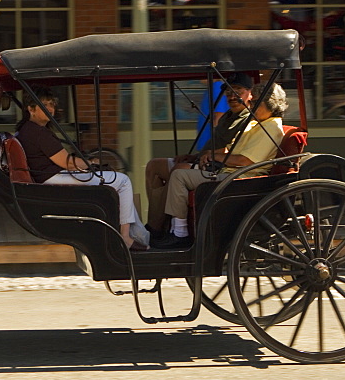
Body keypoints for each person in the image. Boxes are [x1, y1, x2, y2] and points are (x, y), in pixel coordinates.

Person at [155, 82, 287, 249]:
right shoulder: (258, 124)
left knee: (179, 175)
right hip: (230, 173)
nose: (250, 106)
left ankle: (180, 234)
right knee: (176, 170)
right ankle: (171, 228)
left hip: (241, 179)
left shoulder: (271, 127)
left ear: (269, 104)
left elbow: (245, 161)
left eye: (254, 103)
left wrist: (213, 155)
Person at [15, 88, 149, 251]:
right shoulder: (38, 133)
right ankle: (127, 238)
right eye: (44, 105)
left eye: (52, 105)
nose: (50, 109)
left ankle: (140, 234)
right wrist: (90, 162)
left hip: (49, 175)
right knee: (123, 181)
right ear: (31, 109)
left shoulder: (28, 129)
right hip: (52, 177)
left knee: (117, 183)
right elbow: (68, 163)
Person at [144, 73, 254, 239]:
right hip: (204, 160)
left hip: (218, 166)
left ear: (249, 93)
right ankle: (155, 221)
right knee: (154, 166)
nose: (232, 96)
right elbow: (214, 144)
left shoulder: (248, 122)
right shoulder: (227, 118)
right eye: (229, 92)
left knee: (178, 171)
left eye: (238, 91)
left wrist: (209, 156)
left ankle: (160, 227)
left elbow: (230, 151)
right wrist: (193, 156)